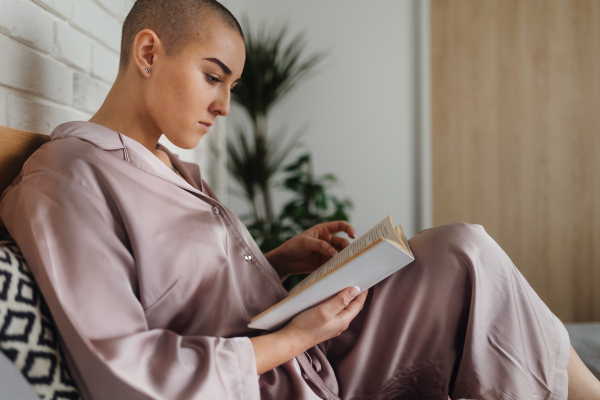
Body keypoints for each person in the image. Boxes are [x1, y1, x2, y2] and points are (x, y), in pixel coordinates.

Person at [1, 1, 599, 399]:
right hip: (270, 379)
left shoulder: (174, 169)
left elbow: (189, 285)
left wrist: (279, 262)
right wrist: (295, 338)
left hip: (309, 354)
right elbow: (122, 369)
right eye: (213, 78)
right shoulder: (66, 175)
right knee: (465, 261)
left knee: (458, 250)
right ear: (149, 53)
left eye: (231, 87)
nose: (225, 107)